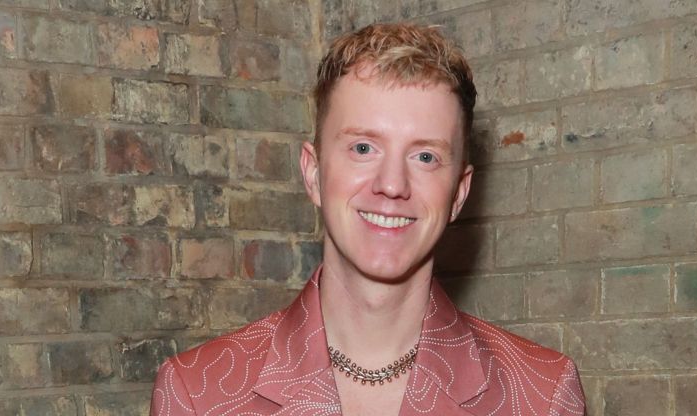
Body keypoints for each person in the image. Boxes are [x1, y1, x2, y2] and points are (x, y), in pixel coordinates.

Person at [150, 23, 585, 416]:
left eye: (425, 156)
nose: (392, 184)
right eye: (363, 148)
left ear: (459, 194)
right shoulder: (195, 395)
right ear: (314, 173)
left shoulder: (541, 394)